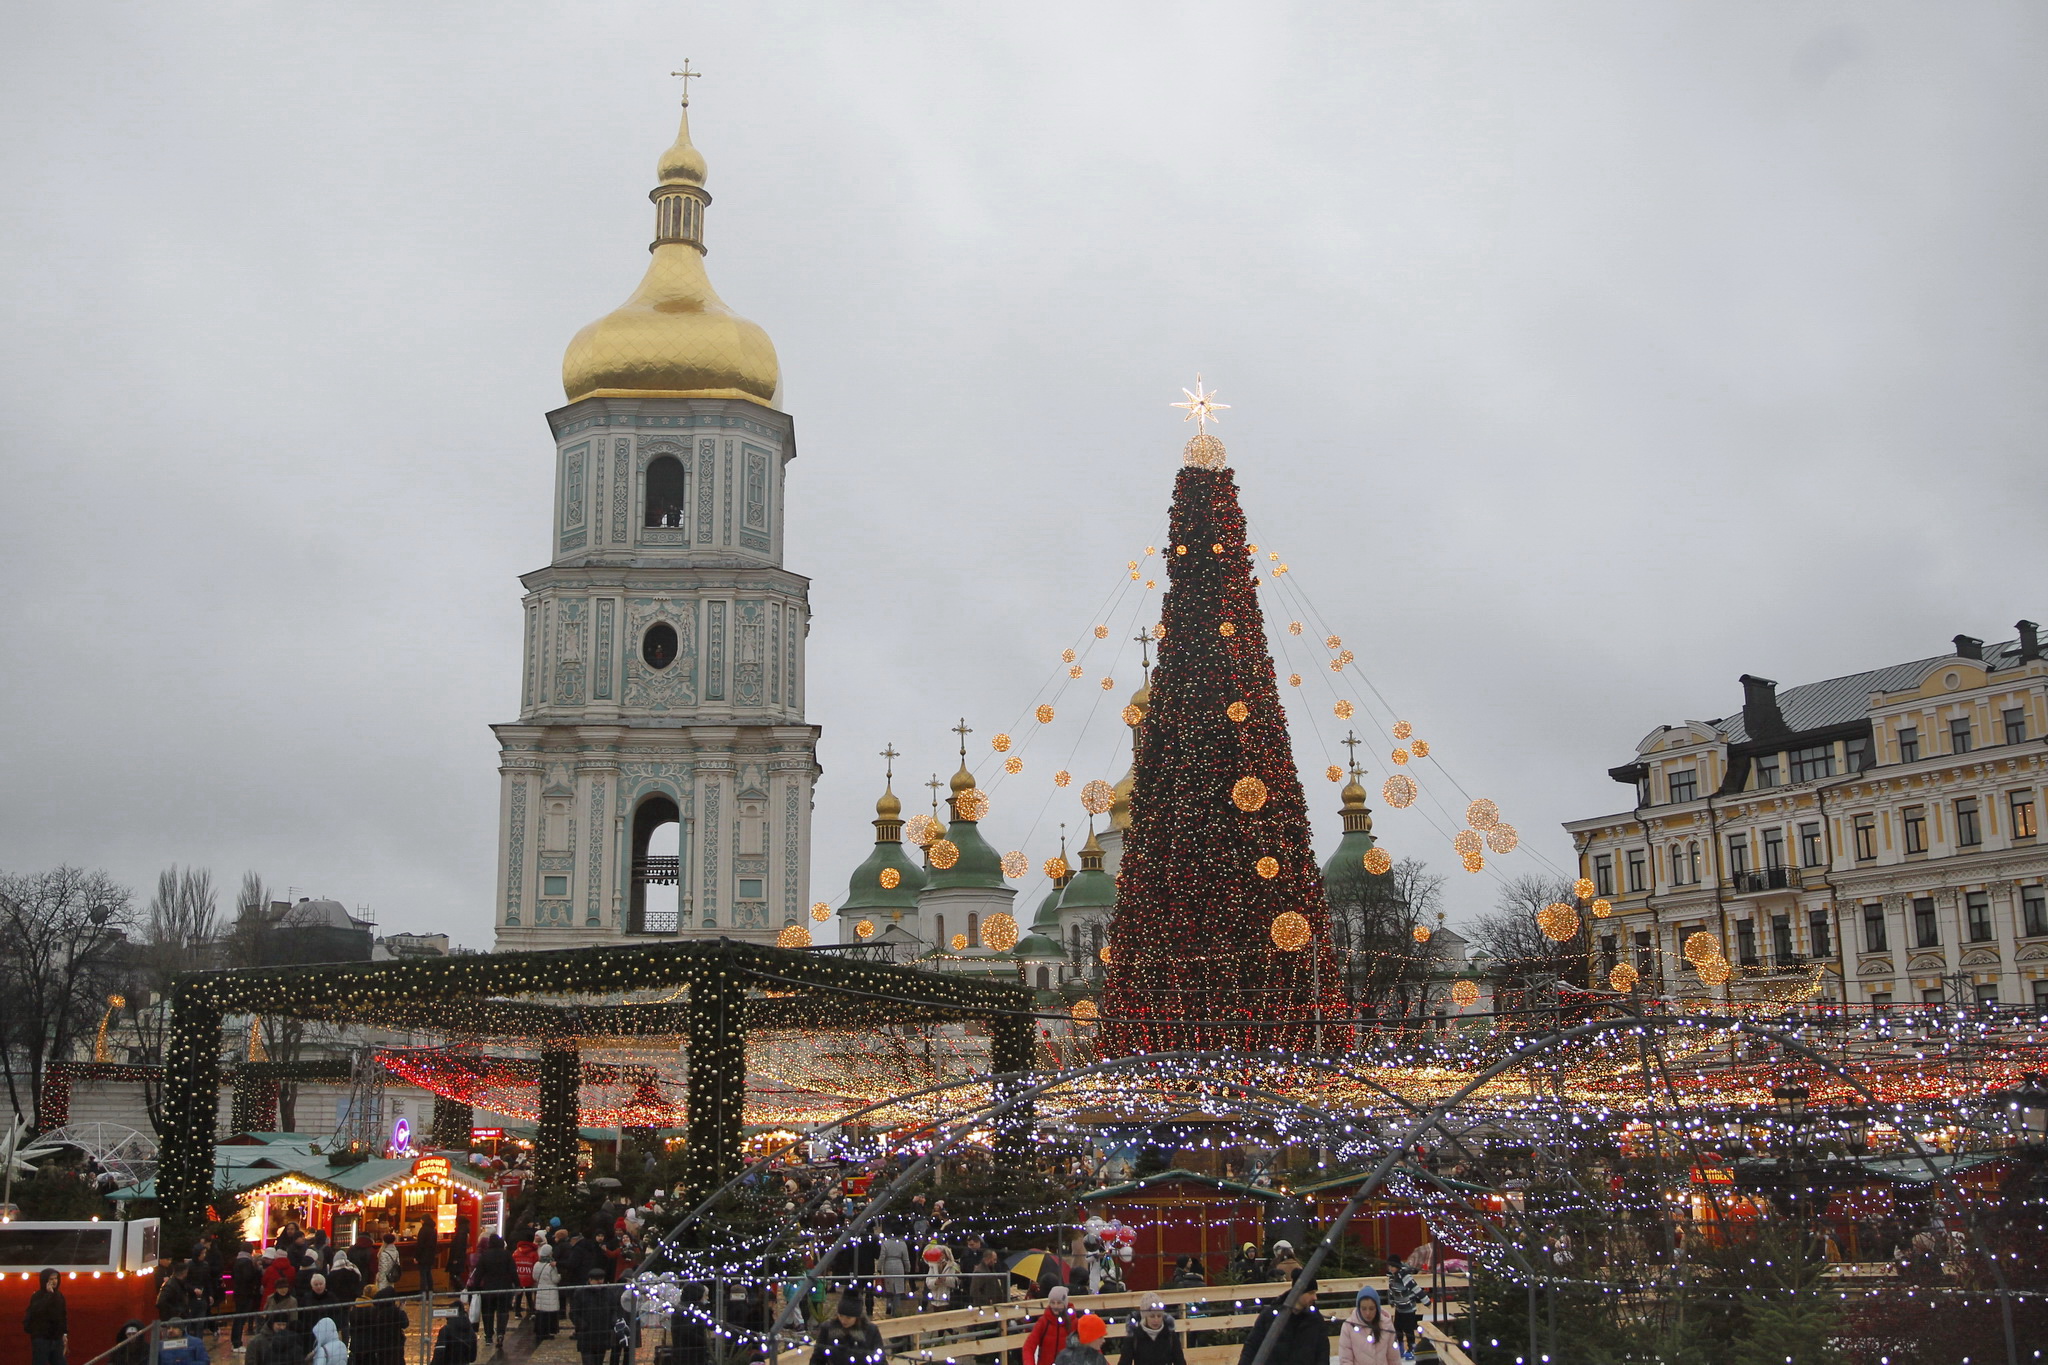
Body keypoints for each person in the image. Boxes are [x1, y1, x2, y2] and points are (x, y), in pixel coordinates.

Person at [1235, 1277, 1326, 1365]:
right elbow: (1252, 1346)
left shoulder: (1315, 1319)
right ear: (1298, 1293)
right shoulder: (1270, 1316)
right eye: (1311, 1293)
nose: (1315, 1297)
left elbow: (1322, 1352)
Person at [472, 1233, 521, 1346]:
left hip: (488, 1288)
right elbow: (513, 1271)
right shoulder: (507, 1254)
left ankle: (488, 1336)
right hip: (504, 1287)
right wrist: (517, 1285)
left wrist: (475, 1287)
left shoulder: (485, 1255)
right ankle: (500, 1333)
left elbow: (479, 1273)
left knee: (488, 1313)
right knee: (502, 1312)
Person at [809, 1293, 885, 1365]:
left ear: (857, 1317)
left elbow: (881, 1361)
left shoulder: (871, 1331)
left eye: (849, 1318)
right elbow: (817, 1358)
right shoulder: (827, 1328)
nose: (843, 1320)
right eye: (841, 1315)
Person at [569, 1268, 624, 1365]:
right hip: (587, 1335)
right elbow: (574, 1313)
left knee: (599, 1361)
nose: (600, 1282)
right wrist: (582, 1325)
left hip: (602, 1335)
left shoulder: (608, 1293)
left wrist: (612, 1322)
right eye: (597, 1279)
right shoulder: (581, 1293)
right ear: (590, 1280)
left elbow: (613, 1309)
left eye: (601, 1279)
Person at [1336, 1287, 1398, 1365]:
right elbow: (1345, 1360)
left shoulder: (1386, 1326)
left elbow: (1394, 1359)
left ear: (1377, 1308)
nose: (1367, 1313)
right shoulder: (1349, 1326)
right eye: (1364, 1309)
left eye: (1371, 1309)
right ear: (1359, 1308)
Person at [348, 1288, 410, 1365]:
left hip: (378, 1345)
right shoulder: (395, 1311)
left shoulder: (374, 1311)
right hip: (394, 1344)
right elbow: (405, 1323)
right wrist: (401, 1310)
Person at [1120, 1296, 1185, 1365]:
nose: (1156, 1320)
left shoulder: (1170, 1335)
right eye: (1152, 1316)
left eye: (1159, 1316)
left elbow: (1180, 1362)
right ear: (1145, 1317)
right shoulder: (1134, 1337)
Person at [1024, 1285, 1079, 1365]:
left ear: (1065, 1304)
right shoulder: (1043, 1322)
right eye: (1052, 1303)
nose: (1055, 1306)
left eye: (1059, 1303)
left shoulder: (1074, 1323)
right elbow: (1028, 1346)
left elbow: (1090, 1344)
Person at [1384, 1260, 1424, 1362]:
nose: (1390, 1269)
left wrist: (1426, 1301)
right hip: (1399, 1308)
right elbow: (1391, 1291)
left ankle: (1411, 1349)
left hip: (1409, 1308)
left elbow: (1416, 1289)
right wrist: (1392, 1301)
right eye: (1390, 1267)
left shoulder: (1406, 1277)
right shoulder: (1392, 1278)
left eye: (1392, 1266)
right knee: (1397, 1328)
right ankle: (1400, 1347)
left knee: (1409, 1329)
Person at [532, 1244, 563, 1341]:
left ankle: (540, 1332)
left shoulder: (537, 1264)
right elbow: (555, 1279)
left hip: (540, 1289)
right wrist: (560, 1276)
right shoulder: (551, 1265)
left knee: (541, 1312)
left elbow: (534, 1277)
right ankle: (548, 1332)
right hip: (551, 1291)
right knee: (549, 1313)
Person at [877, 1229, 911, 1313]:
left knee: (889, 1287)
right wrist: (908, 1269)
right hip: (899, 1265)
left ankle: (889, 1305)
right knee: (898, 1288)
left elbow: (882, 1257)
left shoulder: (886, 1243)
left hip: (888, 1265)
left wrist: (879, 1268)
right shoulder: (902, 1244)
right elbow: (906, 1259)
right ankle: (896, 1309)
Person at [416, 1219, 439, 1295]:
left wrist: (416, 1256)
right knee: (429, 1274)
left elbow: (420, 1244)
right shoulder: (433, 1230)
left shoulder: (423, 1230)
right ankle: (430, 1292)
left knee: (423, 1275)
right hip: (431, 1256)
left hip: (423, 1256)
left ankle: (422, 1294)